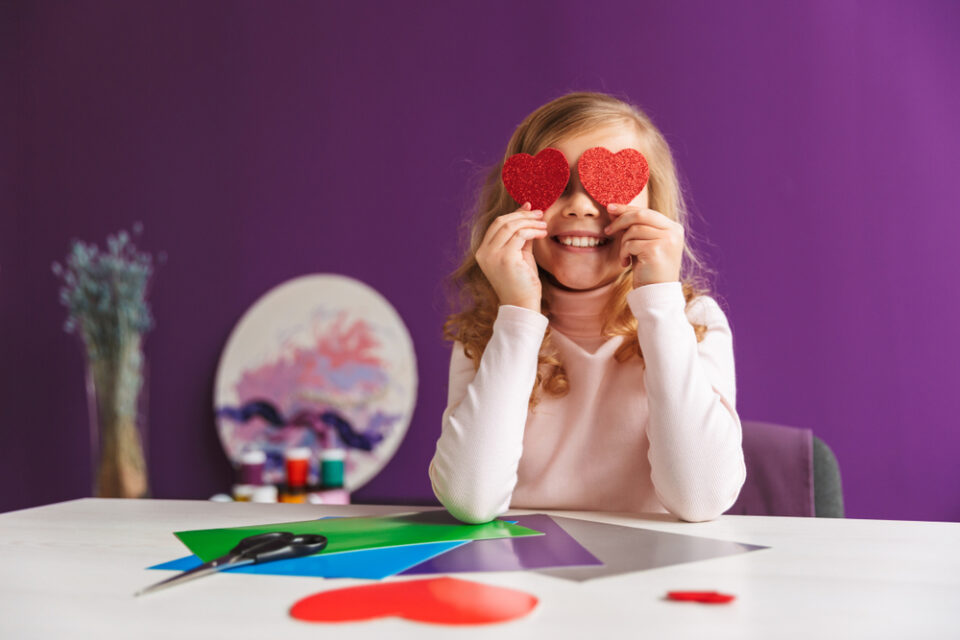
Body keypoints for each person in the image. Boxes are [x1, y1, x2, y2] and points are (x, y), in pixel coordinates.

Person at [430, 91, 746, 524]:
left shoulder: (693, 323)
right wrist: (520, 315)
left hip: (651, 571)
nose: (579, 206)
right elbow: (471, 500)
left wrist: (658, 302)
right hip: (522, 567)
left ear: (654, 209)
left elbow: (700, 499)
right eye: (554, 186)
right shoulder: (489, 332)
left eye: (610, 185)